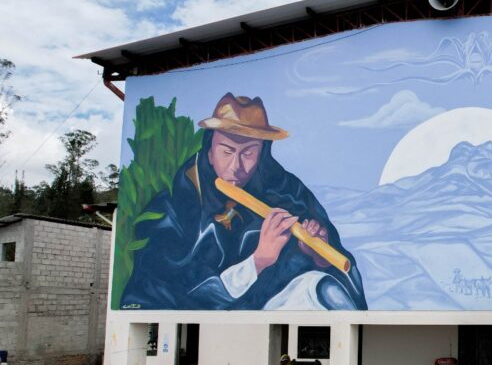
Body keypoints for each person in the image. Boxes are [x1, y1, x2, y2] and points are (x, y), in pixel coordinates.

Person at [121, 93, 367, 311]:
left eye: (248, 153)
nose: (236, 167)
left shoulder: (287, 191)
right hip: (210, 320)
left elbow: (320, 267)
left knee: (324, 290)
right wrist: (259, 260)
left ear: (262, 153)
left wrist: (316, 255)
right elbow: (171, 288)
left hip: (268, 307)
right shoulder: (176, 203)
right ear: (210, 151)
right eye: (227, 151)